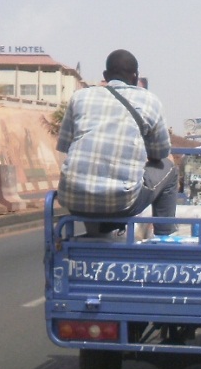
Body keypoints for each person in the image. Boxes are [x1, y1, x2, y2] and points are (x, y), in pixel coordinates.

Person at [54, 49, 177, 234]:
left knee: (92, 187)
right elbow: (160, 154)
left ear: (105, 75)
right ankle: (165, 236)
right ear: (136, 76)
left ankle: (98, 235)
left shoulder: (80, 97)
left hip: (73, 200)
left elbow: (65, 146)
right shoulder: (150, 101)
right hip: (123, 203)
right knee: (170, 168)